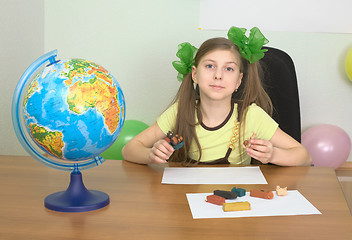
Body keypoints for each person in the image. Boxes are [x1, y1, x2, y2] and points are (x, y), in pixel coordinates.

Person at [122, 26, 312, 166]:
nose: (218, 75)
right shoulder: (180, 111)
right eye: (210, 66)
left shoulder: (251, 116)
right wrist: (150, 155)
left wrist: (273, 155)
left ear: (238, 81)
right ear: (195, 74)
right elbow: (129, 149)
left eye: (228, 68)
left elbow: (304, 155)